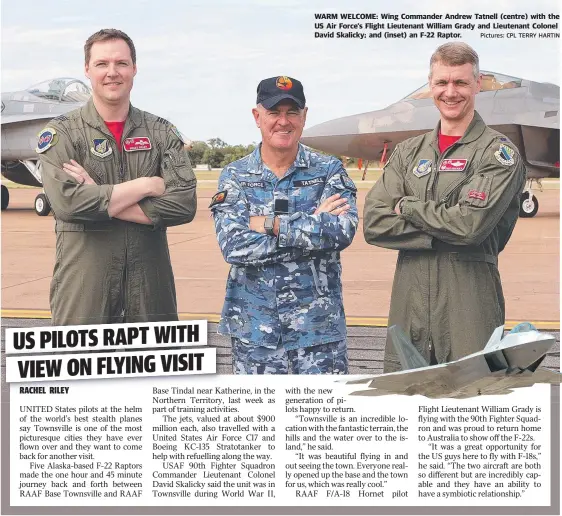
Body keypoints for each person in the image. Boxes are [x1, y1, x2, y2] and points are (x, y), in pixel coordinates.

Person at [363, 43, 526, 373]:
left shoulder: (497, 154)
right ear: (430, 85)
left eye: (461, 83)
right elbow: (373, 222)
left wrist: (406, 205)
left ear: (477, 84)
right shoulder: (409, 152)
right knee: (406, 408)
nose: (450, 92)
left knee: (473, 412)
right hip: (409, 311)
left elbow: (469, 226)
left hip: (468, 312)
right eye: (442, 83)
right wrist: (442, 224)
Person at [36, 29, 197, 325]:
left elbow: (184, 205)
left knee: (157, 370)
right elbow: (68, 204)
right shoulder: (63, 133)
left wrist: (101, 197)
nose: (112, 72)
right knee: (82, 371)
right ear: (87, 69)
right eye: (102, 64)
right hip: (84, 294)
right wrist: (145, 185)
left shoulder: (161, 133)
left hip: (151, 294)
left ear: (134, 68)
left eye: (121, 63)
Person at [211, 76, 358, 374]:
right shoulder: (236, 175)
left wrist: (270, 224)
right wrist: (311, 228)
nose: (283, 121)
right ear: (257, 116)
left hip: (318, 333)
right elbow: (235, 246)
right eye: (274, 112)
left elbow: (342, 231)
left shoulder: (329, 170)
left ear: (304, 116)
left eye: (292, 112)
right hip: (255, 333)